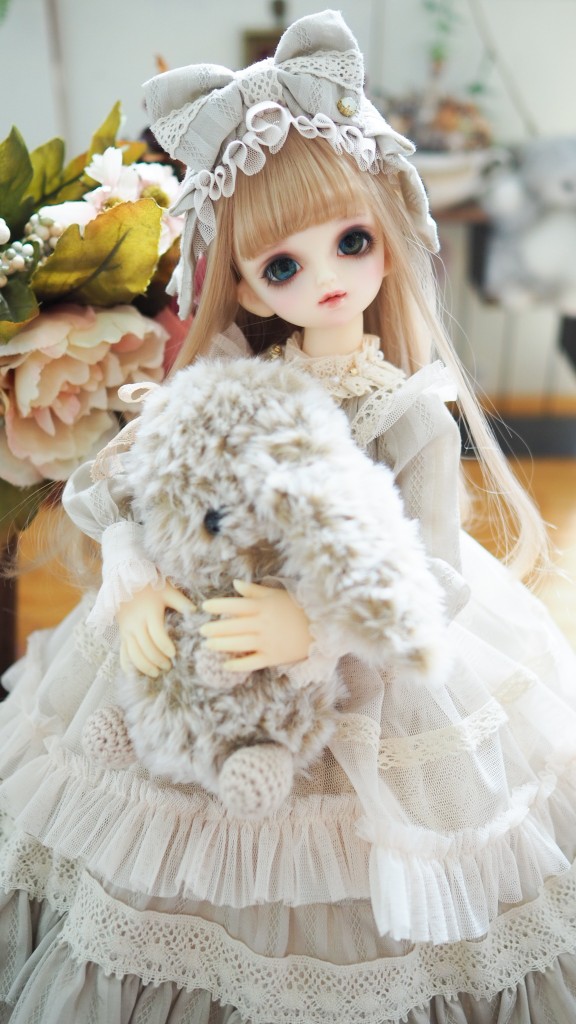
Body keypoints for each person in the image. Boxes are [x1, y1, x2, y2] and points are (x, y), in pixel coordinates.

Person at [1, 9, 576, 1023]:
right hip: (207, 639)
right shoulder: (235, 374)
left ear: (391, 238)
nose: (327, 278)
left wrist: (315, 624)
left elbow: (432, 580)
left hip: (359, 675)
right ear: (246, 285)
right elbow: (116, 484)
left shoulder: (407, 416)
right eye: (282, 265)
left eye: (351, 242)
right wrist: (137, 574)